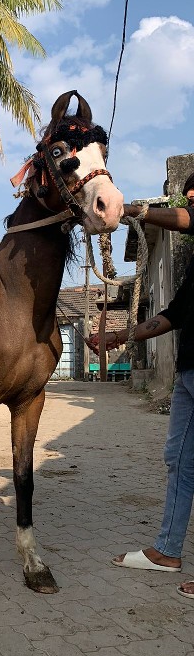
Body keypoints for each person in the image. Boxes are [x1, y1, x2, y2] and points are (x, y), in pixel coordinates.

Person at [89, 171, 194, 598]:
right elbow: (170, 315)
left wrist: (129, 209)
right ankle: (167, 550)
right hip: (189, 374)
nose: (190, 198)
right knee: (178, 459)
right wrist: (120, 337)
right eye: (187, 193)